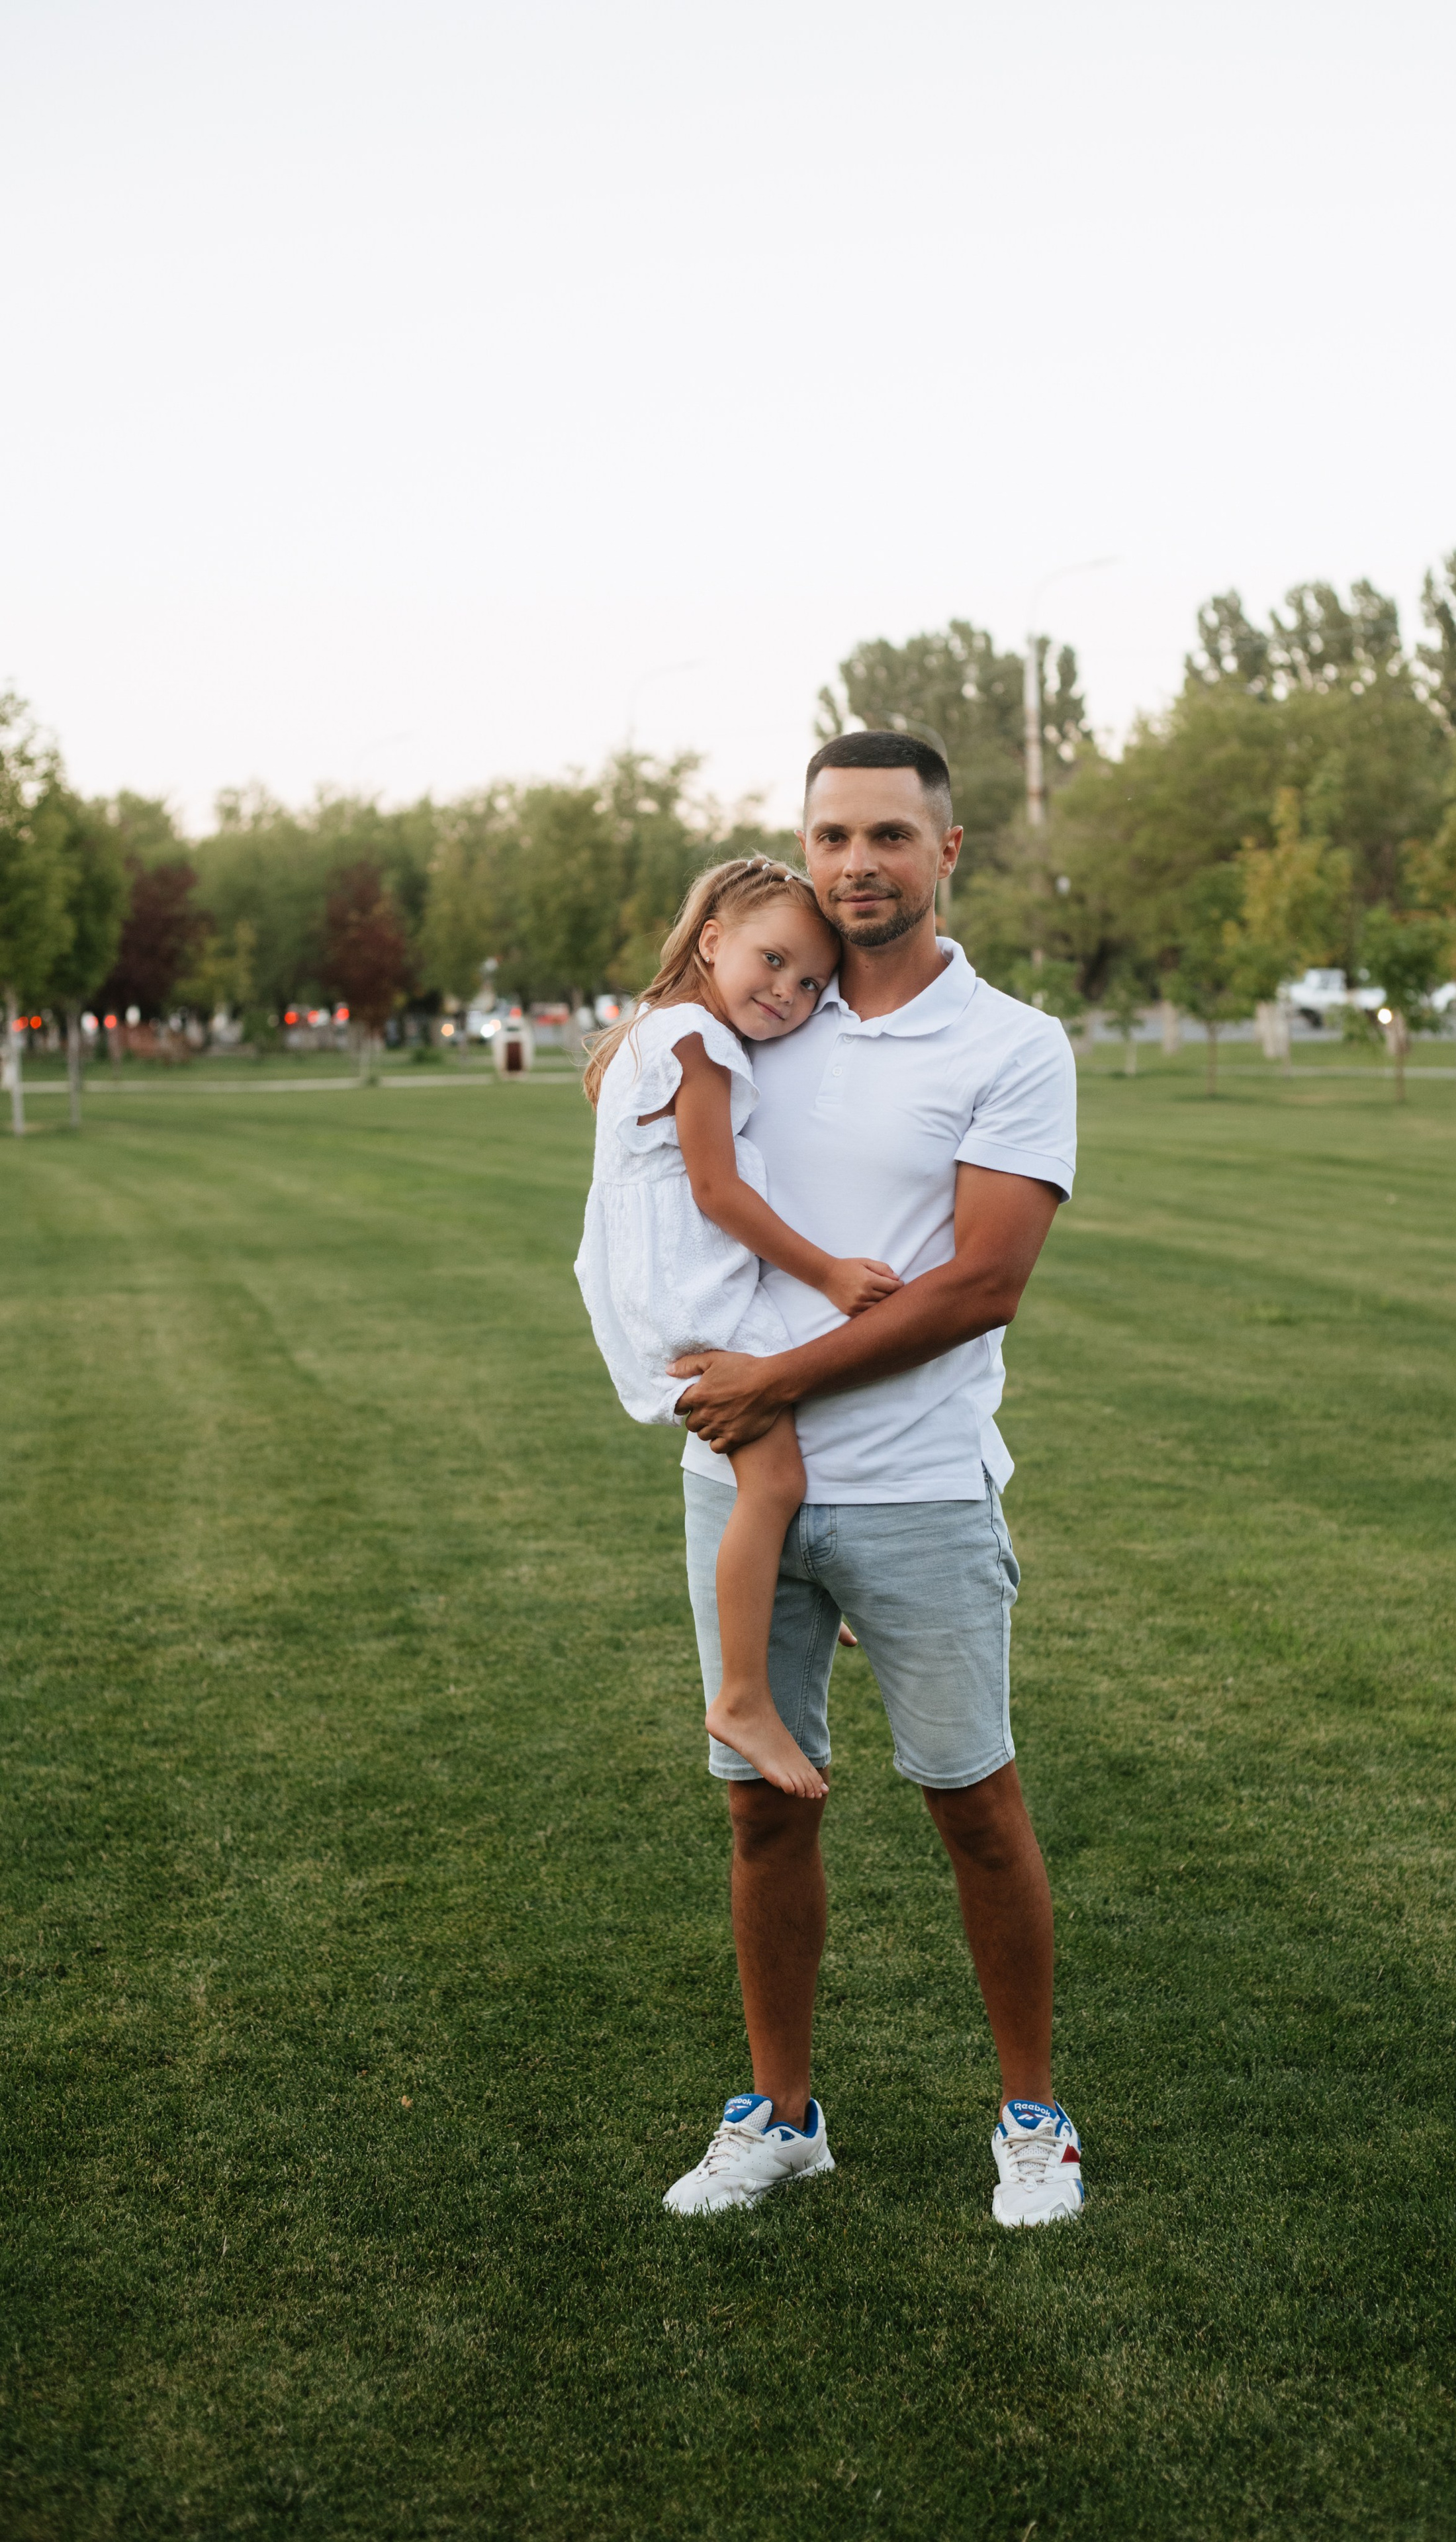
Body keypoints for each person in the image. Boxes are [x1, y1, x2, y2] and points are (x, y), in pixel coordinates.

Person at [658, 730, 1083, 2228]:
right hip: (740, 1489)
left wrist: (775, 1380)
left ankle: (1030, 2120)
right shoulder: (763, 1013)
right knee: (761, 1811)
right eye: (831, 835)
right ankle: (780, 2117)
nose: (856, 865)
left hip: (917, 1489)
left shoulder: (1011, 1045)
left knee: (970, 1801)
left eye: (889, 837)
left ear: (945, 852)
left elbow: (979, 1287)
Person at [574, 857, 901, 1799]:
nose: (788, 993)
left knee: (767, 1468)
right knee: (779, 1475)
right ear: (712, 939)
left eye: (810, 984)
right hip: (695, 1294)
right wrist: (829, 1274)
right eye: (772, 961)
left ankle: (772, 1604)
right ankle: (744, 1694)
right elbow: (715, 1193)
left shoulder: (646, 1037)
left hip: (651, 1289)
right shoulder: (697, 1044)